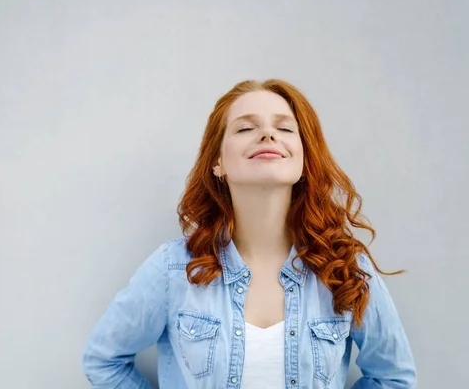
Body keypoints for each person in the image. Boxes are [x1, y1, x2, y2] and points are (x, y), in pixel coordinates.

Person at [81, 79, 416, 388]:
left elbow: (393, 378)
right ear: (218, 163)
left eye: (285, 128)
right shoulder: (174, 268)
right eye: (245, 128)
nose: (268, 135)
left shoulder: (345, 266)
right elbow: (104, 360)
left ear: (303, 160)